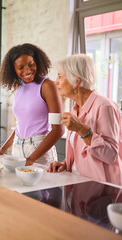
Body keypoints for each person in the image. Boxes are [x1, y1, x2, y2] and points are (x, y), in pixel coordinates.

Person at [47, 54, 122, 185]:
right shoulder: (75, 109)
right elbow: (84, 153)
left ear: (76, 81)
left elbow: (111, 155)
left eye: (60, 76)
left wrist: (81, 129)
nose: (56, 81)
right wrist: (66, 163)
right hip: (78, 183)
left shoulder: (105, 107)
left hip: (101, 189)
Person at [0, 43, 64, 166]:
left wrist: (31, 158)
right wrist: (1, 150)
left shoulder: (47, 86)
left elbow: (58, 130)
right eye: (21, 67)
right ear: (13, 69)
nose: (27, 70)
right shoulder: (18, 87)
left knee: (45, 185)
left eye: (31, 64)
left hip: (39, 151)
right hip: (17, 148)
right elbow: (20, 126)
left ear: (37, 63)